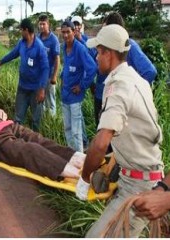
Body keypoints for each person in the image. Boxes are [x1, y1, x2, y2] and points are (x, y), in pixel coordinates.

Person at [75, 24, 164, 237]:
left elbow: (99, 143)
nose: (96, 57)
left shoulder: (117, 87)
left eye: (99, 52)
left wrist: (85, 178)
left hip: (137, 186)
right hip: (139, 176)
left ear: (110, 53)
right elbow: (131, 130)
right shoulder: (137, 80)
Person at [92, 11, 158, 126]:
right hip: (101, 96)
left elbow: (150, 71)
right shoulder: (103, 47)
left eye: (105, 29)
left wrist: (132, 93)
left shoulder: (129, 46)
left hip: (118, 101)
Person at [0, 18, 49, 132]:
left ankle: (34, 143)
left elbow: (45, 68)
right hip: (23, 87)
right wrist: (0, 62)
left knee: (36, 120)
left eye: (21, 30)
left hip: (36, 90)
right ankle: (16, 139)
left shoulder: (39, 47)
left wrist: (42, 89)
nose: (20, 32)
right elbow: (13, 54)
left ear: (26, 30)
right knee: (18, 118)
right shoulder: (22, 43)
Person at [60, 21, 96, 153]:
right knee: (67, 129)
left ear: (74, 32)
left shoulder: (80, 48)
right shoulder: (64, 47)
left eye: (68, 32)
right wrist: (62, 76)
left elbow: (92, 68)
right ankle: (72, 156)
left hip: (75, 97)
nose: (65, 35)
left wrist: (82, 86)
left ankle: (80, 158)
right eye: (63, 32)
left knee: (76, 131)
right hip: (65, 95)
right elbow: (66, 66)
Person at [37, 14, 60, 117]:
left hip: (49, 76)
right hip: (39, 76)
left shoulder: (53, 39)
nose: (42, 26)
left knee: (50, 100)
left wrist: (54, 76)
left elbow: (57, 59)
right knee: (40, 99)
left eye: (44, 24)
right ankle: (42, 121)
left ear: (48, 25)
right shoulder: (37, 38)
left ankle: (52, 122)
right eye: (40, 24)